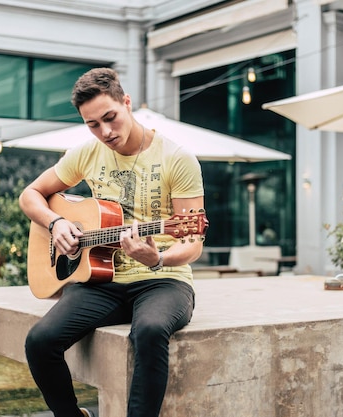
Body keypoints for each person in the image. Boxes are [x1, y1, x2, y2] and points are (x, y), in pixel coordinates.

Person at [19, 67, 205, 417]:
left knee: (149, 331)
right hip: (99, 280)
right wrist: (56, 222)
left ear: (127, 103)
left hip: (162, 280)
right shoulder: (86, 154)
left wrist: (157, 259)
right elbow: (30, 195)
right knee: (40, 341)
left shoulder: (177, 159)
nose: (105, 132)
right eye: (93, 124)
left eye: (110, 118)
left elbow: (193, 242)